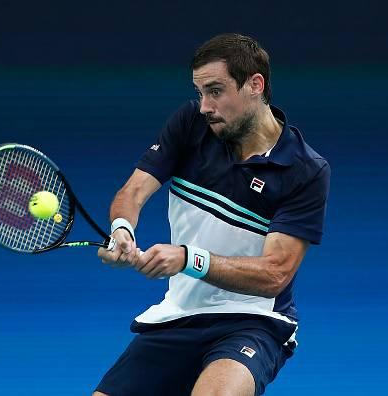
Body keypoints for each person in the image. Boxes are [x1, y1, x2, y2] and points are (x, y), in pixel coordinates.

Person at [94, 33, 330, 396]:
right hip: (179, 315)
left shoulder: (305, 169)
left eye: (215, 91)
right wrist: (122, 229)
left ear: (255, 85)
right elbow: (134, 191)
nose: (204, 105)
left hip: (253, 321)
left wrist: (189, 259)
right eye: (199, 92)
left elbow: (274, 274)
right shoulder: (191, 123)